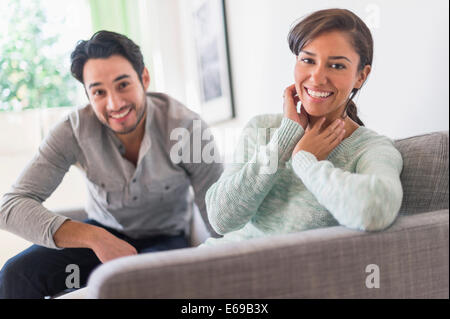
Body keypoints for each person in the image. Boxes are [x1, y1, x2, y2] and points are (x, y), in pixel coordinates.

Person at [0, 30, 223, 298]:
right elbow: (10, 207)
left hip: (164, 241)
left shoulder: (188, 128)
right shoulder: (72, 131)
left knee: (128, 285)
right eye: (99, 92)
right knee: (16, 274)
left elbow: (218, 213)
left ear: (144, 78)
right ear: (88, 95)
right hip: (100, 237)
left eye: (123, 85)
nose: (114, 103)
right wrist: (95, 237)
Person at [202, 8, 403, 246]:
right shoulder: (262, 128)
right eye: (308, 60)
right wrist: (284, 140)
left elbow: (375, 210)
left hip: (268, 277)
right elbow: (220, 219)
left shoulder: (371, 149)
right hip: (210, 264)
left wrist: (305, 161)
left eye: (337, 66)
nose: (317, 78)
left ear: (361, 76)